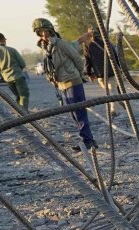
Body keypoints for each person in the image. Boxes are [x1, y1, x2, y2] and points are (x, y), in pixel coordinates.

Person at [32, 18, 95, 150]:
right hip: (61, 84)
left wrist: (77, 75)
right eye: (40, 32)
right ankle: (88, 139)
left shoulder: (60, 44)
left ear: (50, 30)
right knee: (73, 114)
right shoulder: (45, 48)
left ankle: (88, 141)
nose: (43, 34)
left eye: (45, 31)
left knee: (79, 113)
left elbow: (77, 59)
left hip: (72, 81)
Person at [0, 32, 29, 110]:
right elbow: (22, 63)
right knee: (23, 95)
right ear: (4, 39)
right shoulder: (12, 50)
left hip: (7, 78)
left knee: (17, 96)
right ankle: (24, 113)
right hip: (18, 76)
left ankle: (19, 111)